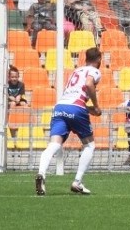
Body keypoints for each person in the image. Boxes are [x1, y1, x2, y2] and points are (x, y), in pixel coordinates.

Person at [35, 47, 103, 196]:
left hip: (60, 107)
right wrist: (96, 106)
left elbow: (75, 95)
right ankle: (77, 182)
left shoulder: (76, 71)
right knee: (89, 145)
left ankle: (41, 173)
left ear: (85, 58)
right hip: (76, 108)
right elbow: (89, 84)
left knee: (53, 144)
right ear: (99, 59)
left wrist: (91, 110)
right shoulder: (95, 71)